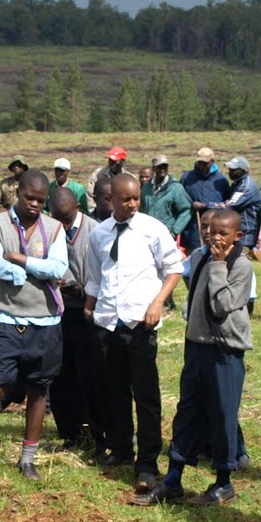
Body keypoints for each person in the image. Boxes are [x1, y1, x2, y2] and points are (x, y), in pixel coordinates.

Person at [0, 169, 67, 482]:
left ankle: (28, 458)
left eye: (40, 200)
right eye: (29, 197)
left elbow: (59, 267)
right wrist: (27, 270)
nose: (34, 204)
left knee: (38, 388)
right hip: (8, 317)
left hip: (46, 319)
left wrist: (19, 261)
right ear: (16, 193)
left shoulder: (54, 228)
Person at [143, 208, 254, 506]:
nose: (213, 236)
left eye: (222, 233)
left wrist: (219, 265)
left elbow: (222, 305)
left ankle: (224, 481)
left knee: (222, 414)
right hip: (197, 348)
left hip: (224, 351)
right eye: (210, 230)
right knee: (187, 411)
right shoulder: (201, 257)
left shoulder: (240, 266)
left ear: (237, 236)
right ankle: (173, 478)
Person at [83, 173, 185, 494]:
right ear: (110, 199)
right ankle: (122, 449)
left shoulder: (151, 229)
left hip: (141, 324)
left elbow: (174, 268)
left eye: (136, 199)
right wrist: (90, 307)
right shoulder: (99, 234)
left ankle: (147, 463)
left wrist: (157, 303)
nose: (131, 205)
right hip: (109, 322)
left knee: (146, 396)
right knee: (115, 392)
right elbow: (95, 277)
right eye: (125, 199)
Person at [48, 185, 104, 456]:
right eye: (56, 217)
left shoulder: (96, 231)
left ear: (79, 209)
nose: (61, 224)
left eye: (66, 218)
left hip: (86, 312)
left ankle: (94, 431)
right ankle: (68, 432)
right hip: (57, 313)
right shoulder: (47, 230)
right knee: (60, 375)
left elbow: (104, 272)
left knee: (89, 374)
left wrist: (82, 289)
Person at [180, 147, 229, 250]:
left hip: (215, 224)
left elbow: (226, 203)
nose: (202, 166)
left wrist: (205, 205)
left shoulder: (221, 180)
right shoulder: (187, 177)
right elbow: (181, 199)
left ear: (212, 162)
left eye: (205, 163)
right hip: (193, 225)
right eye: (200, 162)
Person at [139, 155, 192, 250]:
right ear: (154, 169)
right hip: (147, 235)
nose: (162, 169)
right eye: (159, 167)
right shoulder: (146, 188)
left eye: (165, 167)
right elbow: (142, 209)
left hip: (166, 236)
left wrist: (174, 232)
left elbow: (187, 209)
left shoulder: (175, 188)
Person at [220, 157, 261, 252]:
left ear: (242, 170)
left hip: (244, 236)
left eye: (233, 170)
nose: (230, 172)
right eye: (230, 170)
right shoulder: (237, 184)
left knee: (238, 264)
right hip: (237, 233)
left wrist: (204, 205)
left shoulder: (246, 186)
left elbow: (230, 207)